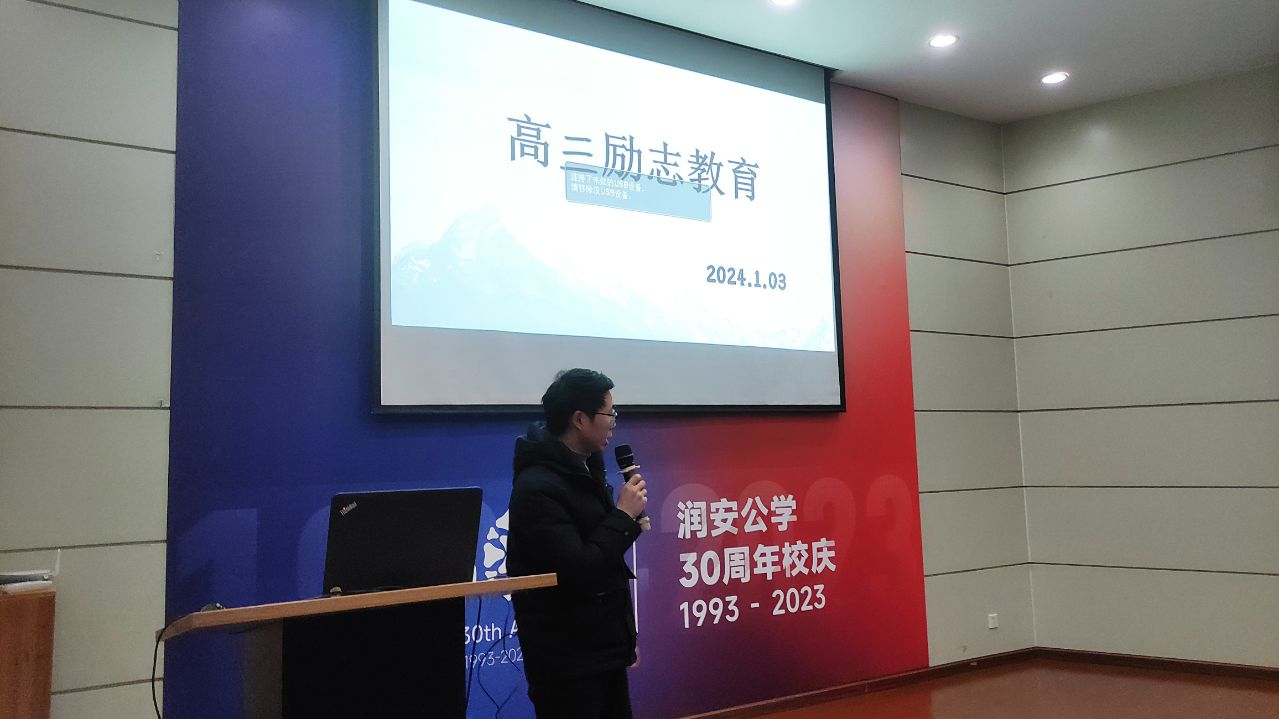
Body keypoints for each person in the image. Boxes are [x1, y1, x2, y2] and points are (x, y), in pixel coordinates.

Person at [507, 368, 647, 719]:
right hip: (567, 662)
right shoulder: (538, 487)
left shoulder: (586, 471)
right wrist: (622, 516)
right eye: (609, 414)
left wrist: (624, 640)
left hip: (601, 650)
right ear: (580, 419)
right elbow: (579, 570)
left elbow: (603, 560)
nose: (613, 424)